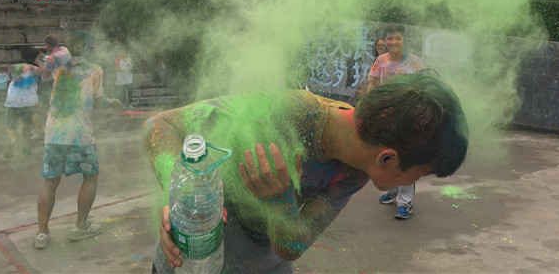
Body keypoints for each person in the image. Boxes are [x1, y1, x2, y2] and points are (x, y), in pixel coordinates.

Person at [145, 70, 468, 273]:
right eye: (421, 174)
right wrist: (183, 199)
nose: (416, 182)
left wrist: (281, 205)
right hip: (192, 260)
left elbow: (291, 247)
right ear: (387, 158)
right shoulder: (285, 112)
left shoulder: (356, 170)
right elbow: (159, 125)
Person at [35, 31, 122, 250]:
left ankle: (41, 233)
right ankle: (80, 226)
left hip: (54, 134)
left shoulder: (60, 69)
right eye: (92, 45)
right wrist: (112, 103)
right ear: (86, 47)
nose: (95, 48)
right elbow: (98, 101)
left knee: (50, 183)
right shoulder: (95, 70)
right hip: (79, 134)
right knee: (91, 177)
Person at [368, 24, 424, 220]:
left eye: (397, 38)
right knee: (387, 156)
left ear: (403, 40)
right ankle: (393, 190)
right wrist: (368, 108)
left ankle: (405, 203)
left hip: (408, 118)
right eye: (390, 38)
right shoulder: (381, 60)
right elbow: (373, 85)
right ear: (385, 41)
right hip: (386, 118)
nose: (393, 42)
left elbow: (424, 88)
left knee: (405, 159)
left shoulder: (415, 62)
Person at [4, 46, 43, 158]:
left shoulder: (13, 67)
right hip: (29, 101)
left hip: (13, 100)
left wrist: (8, 95)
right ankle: (26, 147)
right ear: (34, 58)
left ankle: (12, 141)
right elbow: (40, 84)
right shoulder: (37, 70)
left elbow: (8, 82)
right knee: (27, 124)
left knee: (10, 124)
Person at [32, 35, 72, 141]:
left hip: (60, 85)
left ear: (48, 45)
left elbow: (45, 71)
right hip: (71, 81)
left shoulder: (51, 58)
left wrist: (38, 62)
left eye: (46, 45)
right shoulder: (65, 49)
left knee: (56, 110)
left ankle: (58, 133)